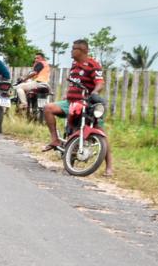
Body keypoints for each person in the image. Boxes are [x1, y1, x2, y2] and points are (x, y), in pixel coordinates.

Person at [43, 39, 111, 172]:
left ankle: (109, 166)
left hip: (85, 103)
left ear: (83, 51)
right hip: (69, 103)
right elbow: (74, 83)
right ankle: (55, 140)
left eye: (74, 49)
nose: (71, 51)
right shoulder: (74, 65)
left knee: (101, 132)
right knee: (48, 108)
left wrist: (94, 93)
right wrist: (67, 95)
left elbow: (100, 83)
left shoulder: (93, 65)